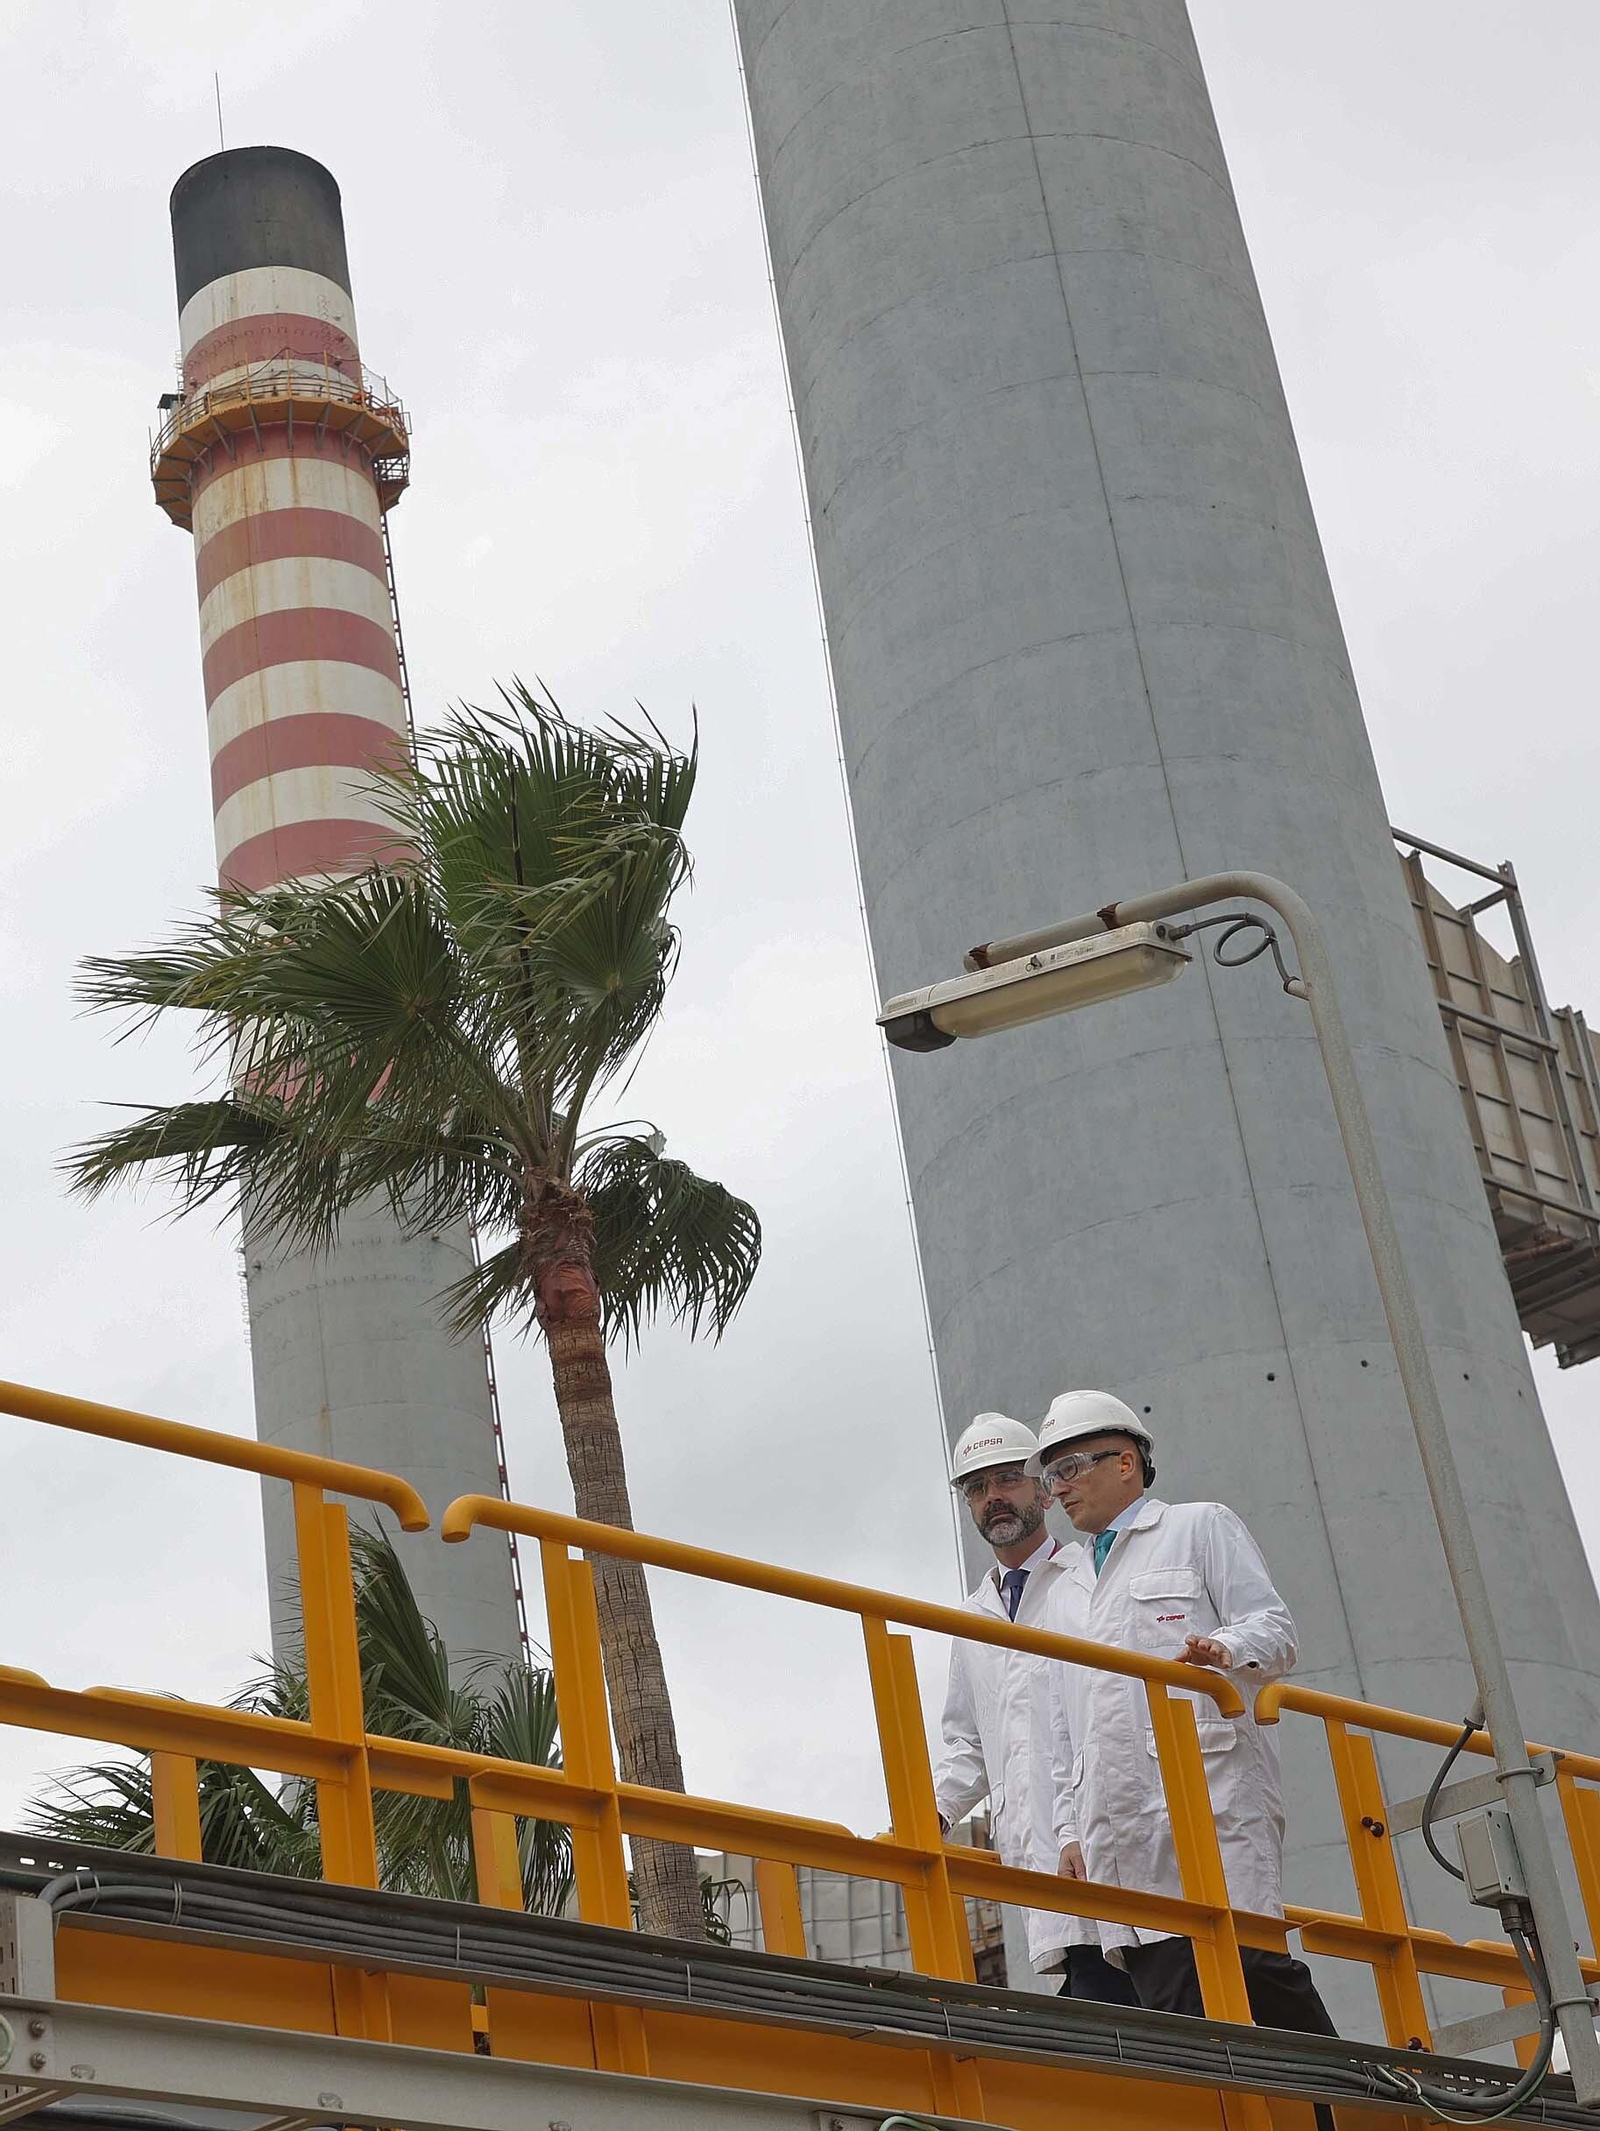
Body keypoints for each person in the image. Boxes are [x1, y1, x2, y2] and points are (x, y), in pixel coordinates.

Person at [1034, 1389, 1337, 2043]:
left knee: (1255, 1967)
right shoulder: (1061, 1596)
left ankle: (1344, 2108)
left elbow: (1277, 1631)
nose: (1058, 1488)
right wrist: (1066, 1831)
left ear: (1126, 1461)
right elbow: (1062, 1731)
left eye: (1071, 1466)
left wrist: (1224, 1648)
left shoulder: (1199, 1527)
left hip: (1212, 1797)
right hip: (1121, 1829)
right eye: (1050, 1474)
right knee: (1177, 2008)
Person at [932, 1411, 1138, 2004]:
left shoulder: (1089, 1580)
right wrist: (932, 1814)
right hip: (1040, 1866)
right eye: (977, 1489)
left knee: (1162, 2003)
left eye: (1005, 1480)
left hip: (1111, 1845)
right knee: (1103, 2015)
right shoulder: (971, 1621)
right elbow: (971, 1742)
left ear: (1045, 1489)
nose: (992, 1499)